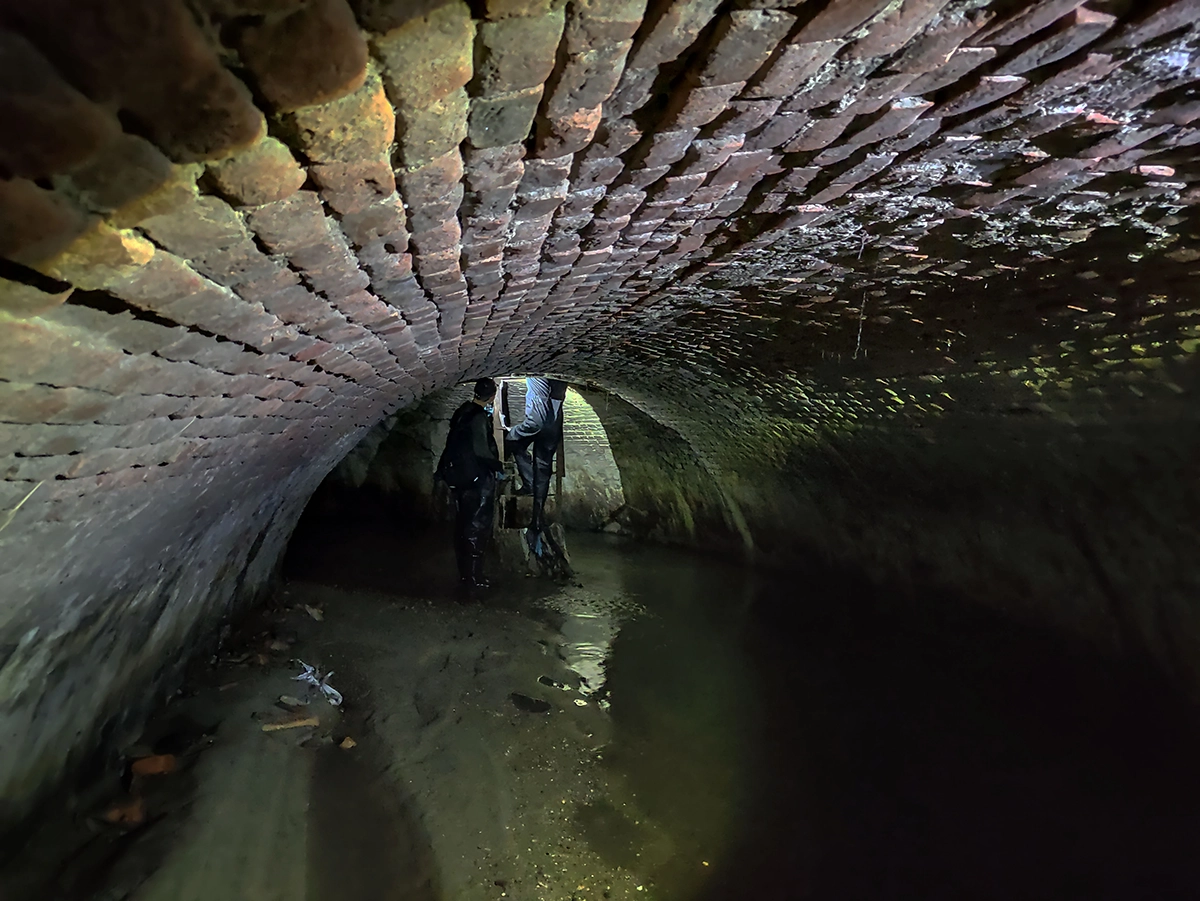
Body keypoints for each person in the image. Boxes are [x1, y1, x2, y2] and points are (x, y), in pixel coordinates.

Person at [435, 378, 504, 592]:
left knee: (463, 525)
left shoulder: (462, 412)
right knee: (476, 527)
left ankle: (466, 575)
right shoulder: (478, 418)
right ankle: (474, 577)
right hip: (477, 479)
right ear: (492, 396)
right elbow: (481, 450)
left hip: (460, 478)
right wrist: (498, 466)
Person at [504, 377, 567, 532]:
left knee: (512, 441)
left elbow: (539, 408)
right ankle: (537, 520)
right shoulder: (562, 373)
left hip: (538, 421)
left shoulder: (537, 372)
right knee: (543, 467)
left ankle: (528, 482)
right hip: (554, 423)